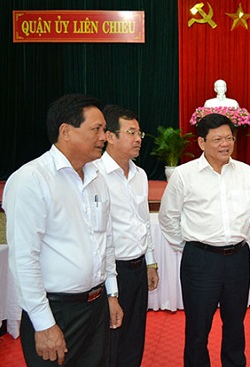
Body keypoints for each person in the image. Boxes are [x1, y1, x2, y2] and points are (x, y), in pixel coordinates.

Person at [2, 93, 123, 366]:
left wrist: (111, 294)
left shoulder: (96, 177)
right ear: (66, 132)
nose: (104, 137)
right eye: (97, 129)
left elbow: (105, 240)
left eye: (104, 129)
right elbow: (24, 259)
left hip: (96, 305)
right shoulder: (31, 180)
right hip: (56, 311)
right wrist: (44, 324)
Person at [158, 113, 250, 367]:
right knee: (198, 330)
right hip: (200, 262)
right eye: (218, 139)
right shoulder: (184, 175)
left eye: (229, 138)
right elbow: (168, 218)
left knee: (236, 326)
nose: (225, 144)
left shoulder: (245, 172)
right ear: (201, 142)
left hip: (238, 259)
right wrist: (191, 248)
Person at [94, 104, 159, 367]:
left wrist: (150, 261)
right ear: (110, 136)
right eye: (131, 132)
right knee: (110, 340)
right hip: (109, 271)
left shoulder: (140, 174)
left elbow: (143, 221)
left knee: (134, 338)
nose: (139, 138)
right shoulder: (94, 174)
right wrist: (111, 288)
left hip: (137, 268)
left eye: (139, 132)